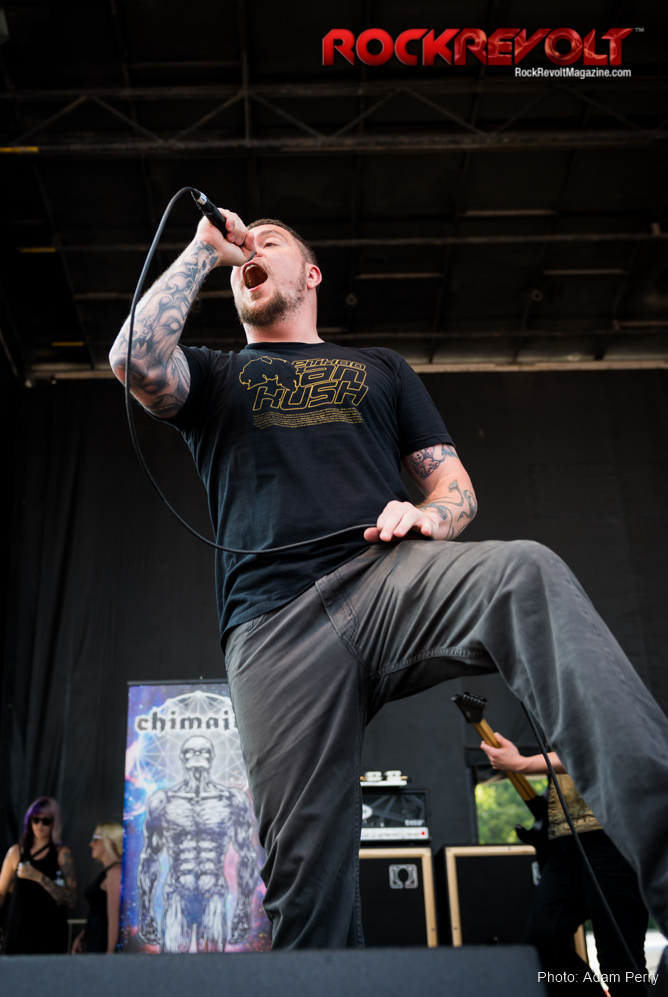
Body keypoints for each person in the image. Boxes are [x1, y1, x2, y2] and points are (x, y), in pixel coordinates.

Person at [108, 205, 668, 950]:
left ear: (311, 274)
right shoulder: (216, 373)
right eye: (244, 246)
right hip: (275, 626)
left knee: (524, 571)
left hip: (386, 577)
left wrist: (431, 516)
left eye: (269, 242)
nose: (251, 249)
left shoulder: (382, 367)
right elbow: (135, 360)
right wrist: (205, 250)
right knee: (306, 879)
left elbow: (455, 486)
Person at [482, 733, 648, 994]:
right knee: (542, 942)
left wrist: (522, 763)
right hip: (566, 839)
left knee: (619, 960)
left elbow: (600, 747)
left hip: (611, 836)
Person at [136, 735, 257, 952]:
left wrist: (243, 908)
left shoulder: (231, 800)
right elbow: (149, 857)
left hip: (214, 892)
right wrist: (146, 911)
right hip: (177, 891)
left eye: (203, 752)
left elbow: (247, 856)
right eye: (191, 752)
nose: (197, 757)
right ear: (183, 758)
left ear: (211, 757)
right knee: (172, 963)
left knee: (213, 965)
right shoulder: (163, 801)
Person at [0, 796, 76, 954]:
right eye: (35, 820)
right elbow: (1, 892)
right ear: (29, 821)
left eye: (46, 821)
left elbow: (71, 898)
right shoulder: (16, 852)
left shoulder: (61, 854)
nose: (40, 825)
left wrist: (39, 877)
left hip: (48, 930)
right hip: (18, 928)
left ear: (54, 823)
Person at [71, 822, 122, 954]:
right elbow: (99, 911)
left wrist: (110, 951)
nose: (91, 844)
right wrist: (81, 936)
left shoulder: (115, 873)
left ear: (108, 841)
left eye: (96, 839)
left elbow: (114, 916)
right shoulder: (107, 872)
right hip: (95, 941)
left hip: (102, 943)